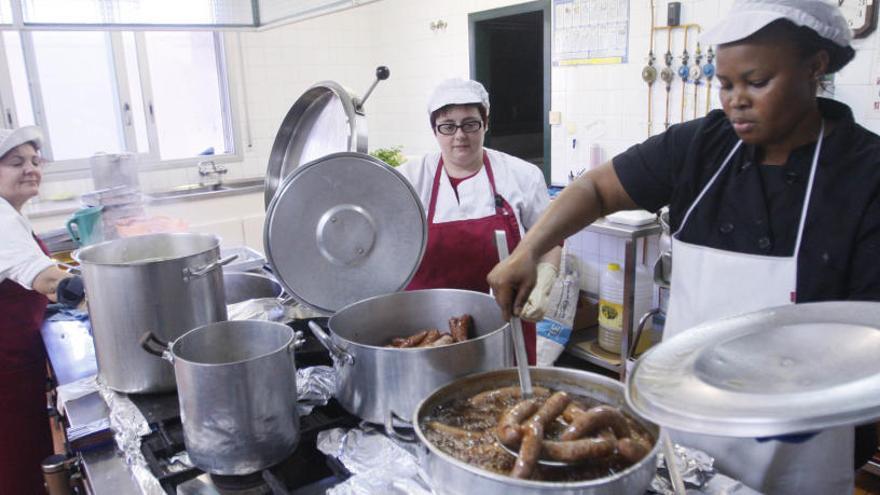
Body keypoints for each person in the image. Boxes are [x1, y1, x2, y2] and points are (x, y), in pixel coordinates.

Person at [487, 1, 879, 493]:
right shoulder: (701, 146)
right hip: (688, 430)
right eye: (726, 84)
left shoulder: (864, 174)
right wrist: (530, 248)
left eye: (756, 83)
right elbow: (596, 189)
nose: (736, 100)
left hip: (799, 441)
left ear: (815, 67)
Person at [397, 78, 561, 364]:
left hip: (505, 319)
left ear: (485, 123)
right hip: (429, 333)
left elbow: (549, 240)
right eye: (448, 126)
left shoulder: (522, 175)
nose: (459, 135)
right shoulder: (408, 179)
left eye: (470, 123)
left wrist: (546, 277)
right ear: (434, 130)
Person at [0, 126, 83, 494]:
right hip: (5, 372)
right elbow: (48, 280)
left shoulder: (11, 214)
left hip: (17, 363)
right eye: (16, 162)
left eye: (35, 161)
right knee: (15, 466)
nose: (30, 168)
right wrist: (106, 293)